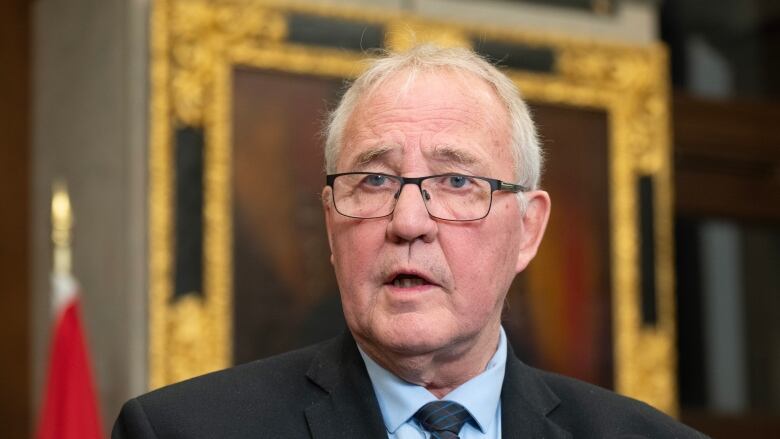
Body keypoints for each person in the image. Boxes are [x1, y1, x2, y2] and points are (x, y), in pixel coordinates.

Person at [113, 44, 706, 439]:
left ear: (527, 229)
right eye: (374, 179)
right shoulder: (179, 430)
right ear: (331, 222)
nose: (409, 222)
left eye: (455, 181)